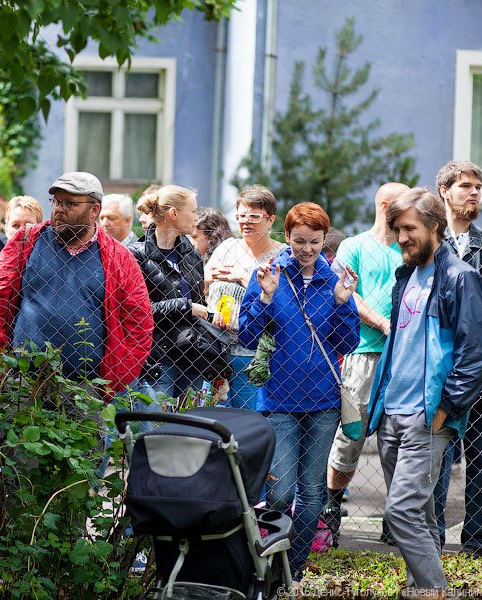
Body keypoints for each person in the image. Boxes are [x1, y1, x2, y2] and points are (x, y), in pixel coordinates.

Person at [367, 187, 482, 594]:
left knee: (400, 513)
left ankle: (435, 592)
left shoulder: (460, 276)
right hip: (392, 415)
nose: (401, 238)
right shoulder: (406, 275)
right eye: (397, 230)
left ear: (434, 226)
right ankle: (418, 590)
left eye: (409, 229)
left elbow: (476, 353)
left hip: (426, 416)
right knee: (416, 517)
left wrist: (445, 409)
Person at [238, 201, 359, 582]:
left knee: (311, 492)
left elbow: (347, 341)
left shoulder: (333, 281)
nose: (306, 249)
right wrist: (265, 298)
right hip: (279, 402)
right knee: (278, 492)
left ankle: (295, 567)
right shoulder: (269, 274)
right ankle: (271, 557)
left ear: (325, 242)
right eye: (299, 241)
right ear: (286, 237)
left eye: (315, 242)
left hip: (323, 401)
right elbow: (245, 335)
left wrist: (342, 304)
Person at [0, 171, 153, 394]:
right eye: (56, 202)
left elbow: (139, 324)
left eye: (70, 203)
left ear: (94, 210)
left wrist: (111, 383)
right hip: (22, 381)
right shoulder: (27, 241)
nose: (59, 209)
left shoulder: (119, 258)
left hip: (86, 389)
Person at [432, 160, 482, 558]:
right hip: (440, 371)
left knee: (481, 460)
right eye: (465, 186)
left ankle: (477, 545)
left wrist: (454, 317)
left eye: (479, 186)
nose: (475, 192)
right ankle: (431, 540)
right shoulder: (430, 244)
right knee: (439, 458)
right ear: (445, 191)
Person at [323, 182, 409, 545]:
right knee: (350, 436)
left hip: (403, 357)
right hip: (362, 353)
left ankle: (395, 520)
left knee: (400, 440)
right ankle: (330, 514)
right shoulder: (353, 246)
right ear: (387, 205)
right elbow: (346, 293)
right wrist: (381, 321)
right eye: (405, 205)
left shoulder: (410, 248)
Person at [206, 185, 286, 410]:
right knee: (216, 420)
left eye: (254, 216)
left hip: (257, 354)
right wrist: (208, 277)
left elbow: (287, 301)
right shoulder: (227, 247)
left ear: (270, 220)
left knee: (248, 420)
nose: (246, 222)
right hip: (217, 350)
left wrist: (245, 278)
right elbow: (202, 285)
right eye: (241, 216)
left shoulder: (281, 255)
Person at [129, 185, 207, 403]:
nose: (196, 217)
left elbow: (201, 303)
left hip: (193, 356)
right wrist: (186, 307)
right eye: (192, 211)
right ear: (173, 214)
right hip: (157, 359)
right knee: (153, 430)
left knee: (189, 430)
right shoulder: (137, 256)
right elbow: (138, 311)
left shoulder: (191, 254)